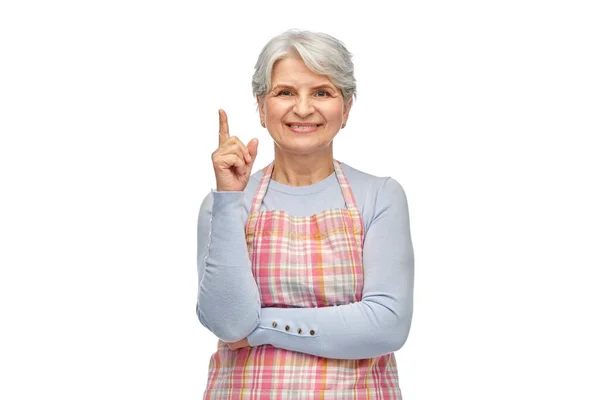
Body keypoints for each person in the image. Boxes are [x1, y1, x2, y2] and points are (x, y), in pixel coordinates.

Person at [196, 29, 414, 399]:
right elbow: (229, 323)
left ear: (345, 109)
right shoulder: (227, 202)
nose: (302, 108)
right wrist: (229, 200)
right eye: (285, 92)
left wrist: (261, 327)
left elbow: (386, 326)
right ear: (262, 107)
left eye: (321, 92)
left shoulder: (379, 197)